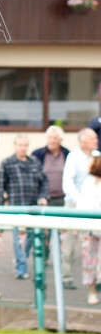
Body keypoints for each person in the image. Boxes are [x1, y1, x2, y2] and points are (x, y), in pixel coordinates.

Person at [0, 134, 49, 279]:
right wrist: (1, 208)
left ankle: (22, 259)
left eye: (25, 145)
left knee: (30, 237)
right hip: (16, 206)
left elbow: (44, 181)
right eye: (20, 145)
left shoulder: (34, 162)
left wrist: (43, 196)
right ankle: (21, 268)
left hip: (33, 206)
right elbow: (0, 187)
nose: (23, 148)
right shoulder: (7, 163)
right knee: (18, 238)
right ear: (15, 146)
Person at [62, 128, 100, 289]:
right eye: (92, 138)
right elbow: (68, 183)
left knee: (94, 245)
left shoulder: (97, 155)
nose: (96, 140)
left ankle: (97, 278)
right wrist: (80, 204)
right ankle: (66, 276)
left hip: (94, 206)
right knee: (69, 243)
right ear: (82, 141)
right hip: (75, 205)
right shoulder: (73, 157)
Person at [78, 154, 101, 305]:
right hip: (88, 227)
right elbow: (81, 203)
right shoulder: (87, 182)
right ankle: (92, 291)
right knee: (89, 260)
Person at [31, 125, 69, 207]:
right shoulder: (37, 154)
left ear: (60, 140)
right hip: (44, 199)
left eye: (55, 138)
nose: (52, 141)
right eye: (50, 138)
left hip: (62, 198)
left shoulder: (67, 154)